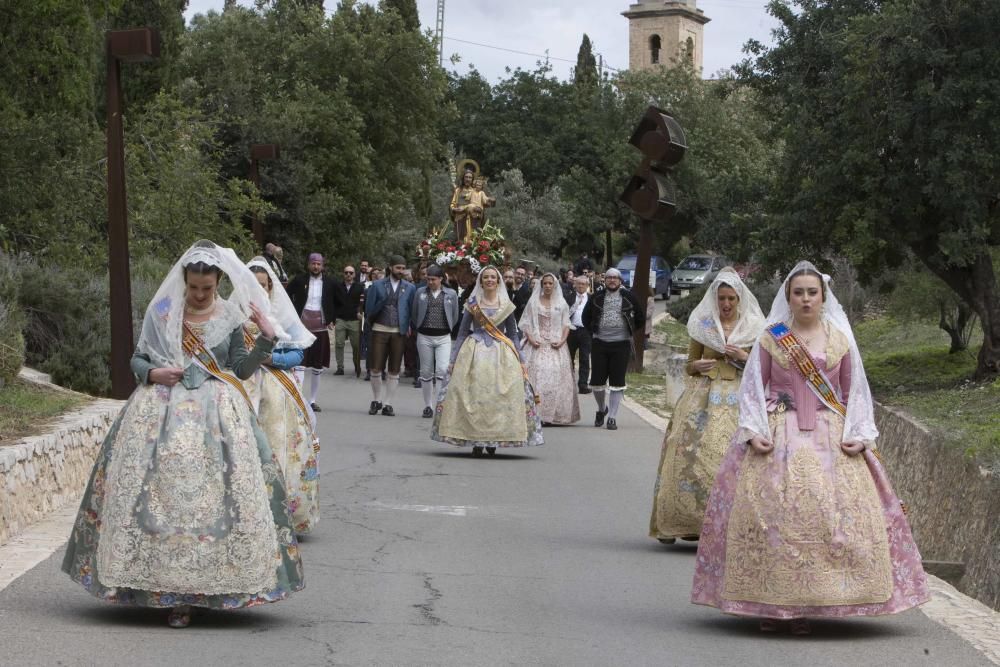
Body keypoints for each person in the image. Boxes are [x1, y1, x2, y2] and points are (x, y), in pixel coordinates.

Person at [62, 241, 304, 629]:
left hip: (218, 414)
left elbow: (240, 370)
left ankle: (208, 587)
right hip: (160, 410)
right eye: (193, 287)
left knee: (218, 500)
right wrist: (153, 373)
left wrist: (266, 338)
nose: (199, 294)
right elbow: (137, 359)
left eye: (206, 288)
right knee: (156, 497)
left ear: (218, 283)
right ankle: (162, 588)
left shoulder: (230, 316)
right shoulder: (162, 312)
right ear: (184, 281)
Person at [691, 261, 930, 634]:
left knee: (830, 517)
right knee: (770, 514)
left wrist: (860, 434)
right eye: (798, 292)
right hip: (777, 433)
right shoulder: (772, 337)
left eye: (812, 292)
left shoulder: (839, 339)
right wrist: (753, 430)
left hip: (830, 435)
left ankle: (813, 601)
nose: (805, 299)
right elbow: (754, 385)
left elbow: (854, 392)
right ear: (788, 297)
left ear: (823, 297)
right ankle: (770, 604)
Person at [648, 268, 765, 544]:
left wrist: (744, 356)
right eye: (722, 298)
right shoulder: (702, 325)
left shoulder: (753, 327)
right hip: (702, 395)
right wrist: (696, 365)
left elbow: (763, 367)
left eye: (731, 299)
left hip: (737, 395)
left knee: (729, 457)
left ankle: (727, 526)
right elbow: (690, 365)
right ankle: (682, 521)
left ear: (740, 300)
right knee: (687, 452)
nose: (726, 304)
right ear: (714, 299)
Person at [432, 266, 543, 456]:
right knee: (474, 395)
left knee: (499, 396)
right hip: (474, 351)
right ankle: (476, 440)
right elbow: (462, 333)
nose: (490, 280)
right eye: (486, 277)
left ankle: (494, 440)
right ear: (481, 281)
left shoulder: (506, 305)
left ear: (498, 281)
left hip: (502, 354)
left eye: (493, 277)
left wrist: (521, 359)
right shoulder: (473, 303)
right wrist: (453, 359)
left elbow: (514, 335)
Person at [246, 257, 321, 535]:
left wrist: (271, 359)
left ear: (270, 288)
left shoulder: (280, 315)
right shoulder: (232, 316)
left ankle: (283, 513)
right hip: (243, 384)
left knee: (280, 445)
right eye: (251, 286)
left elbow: (298, 352)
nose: (258, 292)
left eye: (263, 286)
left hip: (276, 385)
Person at [581, 268, 645, 430]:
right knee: (596, 383)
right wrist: (593, 331)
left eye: (615, 278)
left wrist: (628, 330)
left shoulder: (629, 297)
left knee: (617, 382)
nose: (611, 280)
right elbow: (585, 317)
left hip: (621, 344)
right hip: (599, 343)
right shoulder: (597, 297)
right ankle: (602, 409)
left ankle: (612, 417)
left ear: (620, 280)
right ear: (605, 280)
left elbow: (640, 317)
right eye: (608, 278)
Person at [519, 273, 580, 425]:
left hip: (556, 344)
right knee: (536, 376)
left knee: (556, 378)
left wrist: (562, 340)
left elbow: (566, 324)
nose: (547, 286)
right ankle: (534, 413)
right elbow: (525, 323)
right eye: (545, 283)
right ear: (541, 285)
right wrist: (532, 339)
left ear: (554, 285)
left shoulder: (561, 303)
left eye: (550, 284)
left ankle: (554, 415)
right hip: (537, 344)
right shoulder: (533, 303)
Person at [286, 253, 338, 412]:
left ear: (322, 266)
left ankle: (312, 400)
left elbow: (337, 301)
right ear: (308, 264)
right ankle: (299, 398)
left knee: (317, 366)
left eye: (318, 264)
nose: (316, 267)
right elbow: (286, 297)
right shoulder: (299, 280)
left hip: (321, 326)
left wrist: (332, 318)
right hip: (301, 326)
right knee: (299, 363)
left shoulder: (330, 283)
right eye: (313, 263)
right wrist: (291, 316)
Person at [364, 255, 414, 416]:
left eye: (403, 268)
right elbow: (369, 308)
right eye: (398, 267)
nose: (401, 271)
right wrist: (369, 327)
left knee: (394, 369)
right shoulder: (377, 285)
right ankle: (376, 399)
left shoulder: (409, 287)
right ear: (390, 267)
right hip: (379, 329)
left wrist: (408, 327)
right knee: (376, 367)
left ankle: (388, 403)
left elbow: (410, 309)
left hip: (398, 331)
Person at [411, 264, 460, 418]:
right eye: (428, 279)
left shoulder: (450, 294)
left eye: (433, 279)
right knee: (425, 372)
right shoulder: (420, 292)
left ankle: (440, 405)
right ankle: (427, 406)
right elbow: (415, 312)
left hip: (443, 336)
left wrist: (449, 328)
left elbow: (455, 315)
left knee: (442, 370)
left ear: (441, 279)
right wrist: (419, 326)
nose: (430, 282)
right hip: (424, 336)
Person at [333, 264, 364, 377]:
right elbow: (334, 302)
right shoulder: (338, 286)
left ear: (354, 275)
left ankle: (357, 365)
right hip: (340, 319)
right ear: (343, 274)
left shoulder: (360, 287)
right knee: (339, 343)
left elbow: (362, 303)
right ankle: (340, 367)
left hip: (354, 320)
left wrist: (361, 313)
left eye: (351, 273)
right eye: (346, 272)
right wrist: (333, 318)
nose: (348, 275)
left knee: (356, 345)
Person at [450, 168, 495, 243]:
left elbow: (486, 204)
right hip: (460, 219)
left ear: (472, 179)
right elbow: (452, 204)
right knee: (459, 241)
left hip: (473, 219)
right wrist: (454, 209)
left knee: (472, 240)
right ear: (463, 178)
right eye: (466, 177)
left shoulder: (476, 191)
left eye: (470, 177)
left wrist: (491, 201)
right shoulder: (458, 190)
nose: (468, 179)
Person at [566, 276, 593, 394]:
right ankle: (568, 383)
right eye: (579, 284)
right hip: (571, 331)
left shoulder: (592, 299)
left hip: (585, 332)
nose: (581, 286)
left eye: (583, 284)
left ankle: (583, 384)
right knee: (568, 358)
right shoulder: (568, 297)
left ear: (587, 286)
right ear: (575, 285)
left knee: (585, 359)